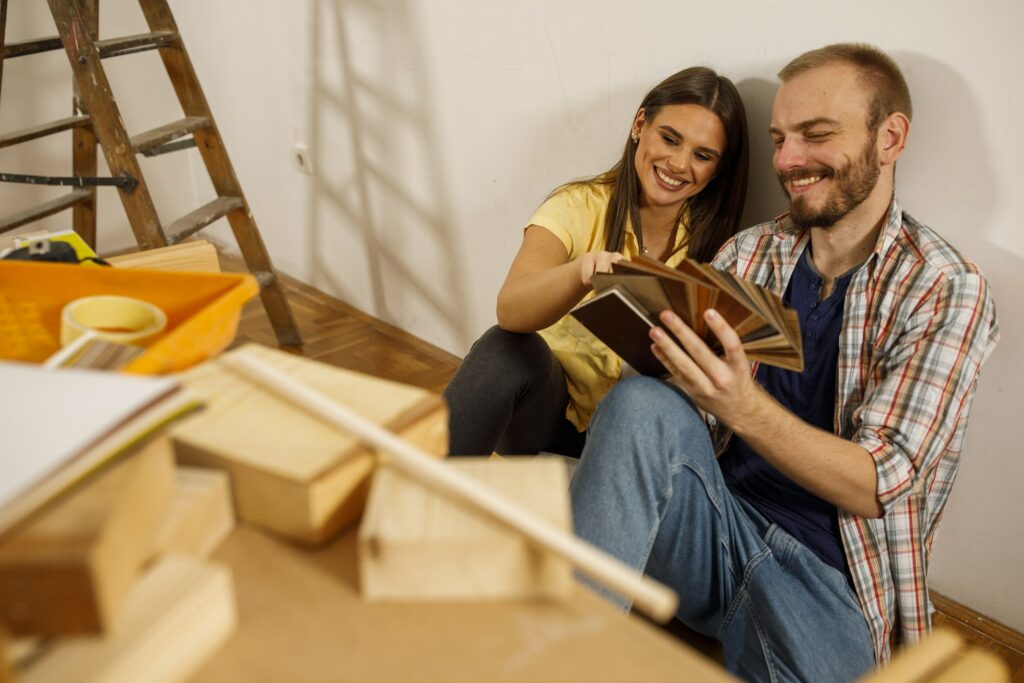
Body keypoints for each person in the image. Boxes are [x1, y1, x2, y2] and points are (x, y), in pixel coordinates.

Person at [569, 43, 999, 682]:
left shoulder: (943, 287)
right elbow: (662, 424)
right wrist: (661, 352)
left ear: (889, 138)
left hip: (826, 579)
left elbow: (879, 484)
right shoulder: (752, 253)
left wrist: (740, 404)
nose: (788, 161)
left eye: (816, 135)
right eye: (779, 139)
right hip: (714, 524)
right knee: (639, 404)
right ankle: (566, 656)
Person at [443, 66, 749, 457]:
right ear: (640, 124)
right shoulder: (578, 205)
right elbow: (510, 310)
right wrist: (581, 273)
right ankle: (418, 485)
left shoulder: (723, 251)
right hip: (548, 411)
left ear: (718, 169)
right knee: (503, 349)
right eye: (670, 139)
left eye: (702, 156)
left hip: (635, 429)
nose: (678, 163)